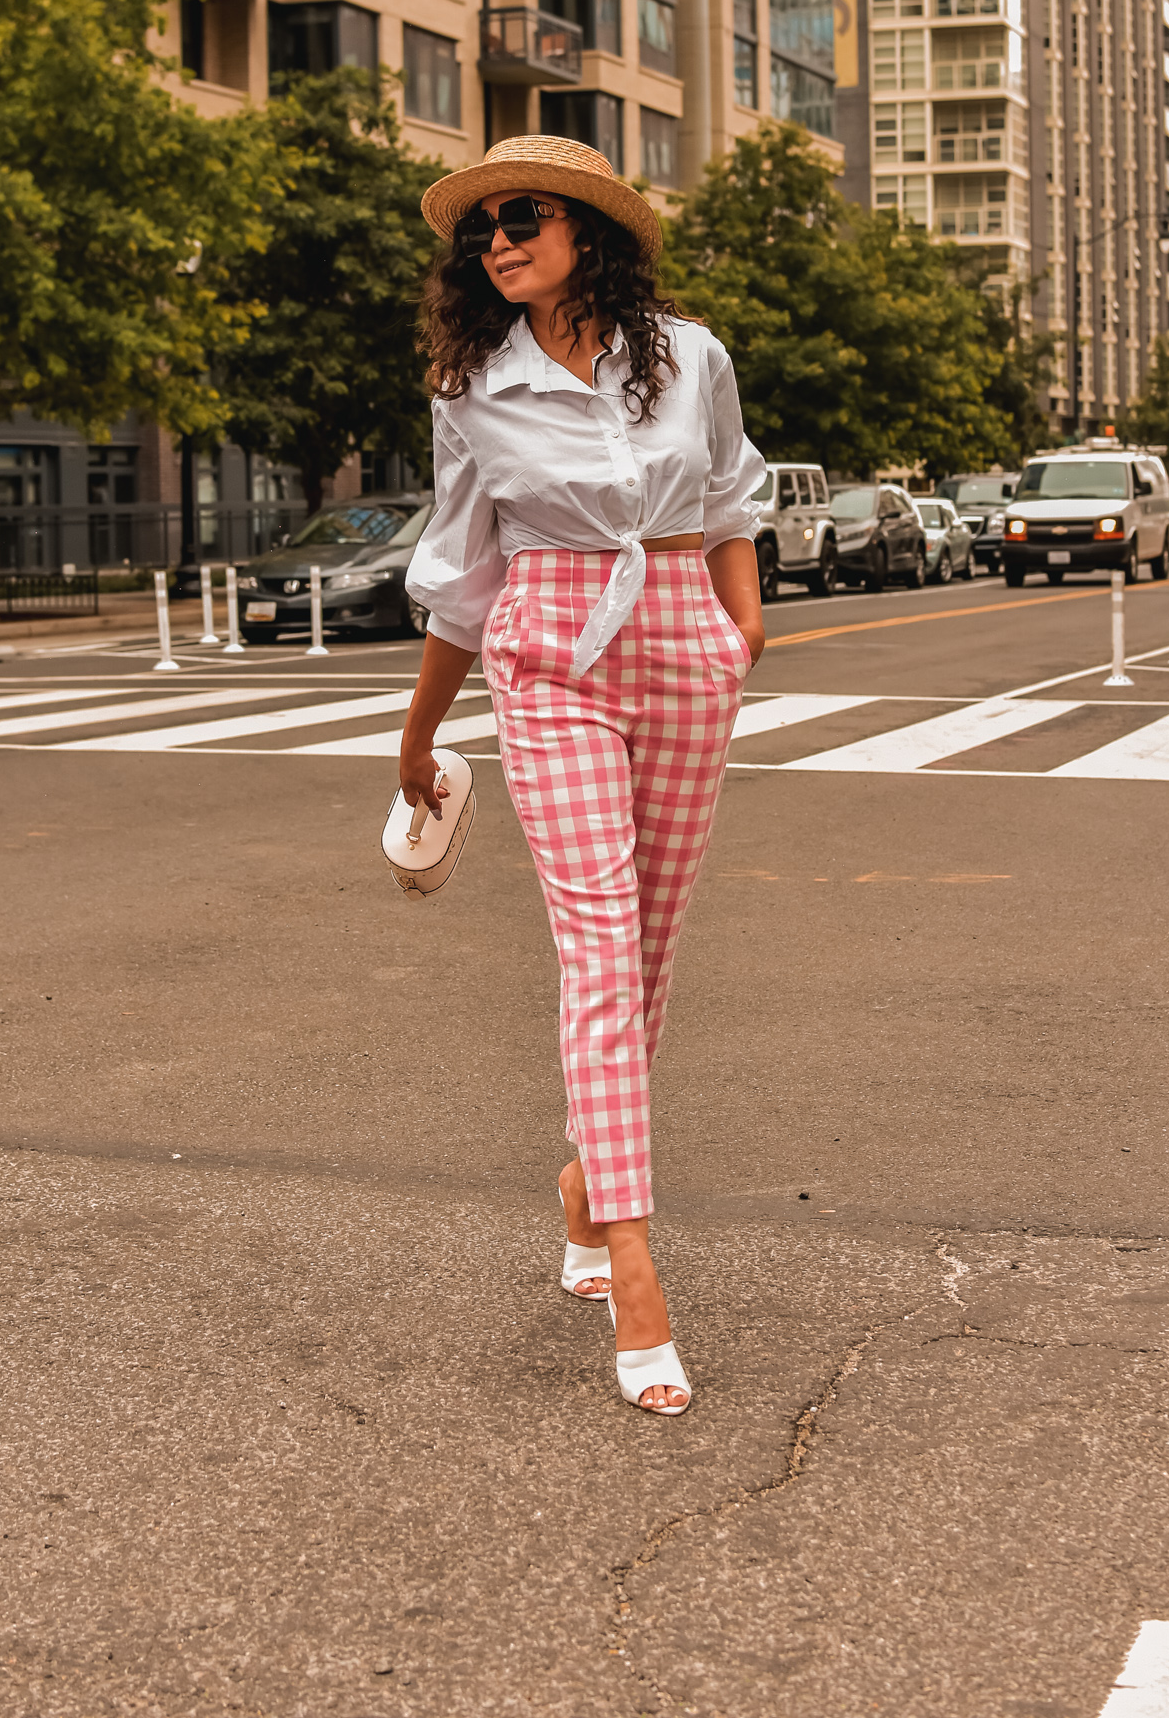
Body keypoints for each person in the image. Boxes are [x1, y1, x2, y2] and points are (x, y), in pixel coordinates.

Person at [400, 136, 766, 1416]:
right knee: (597, 949)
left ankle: (581, 1176)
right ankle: (633, 1253)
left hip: (677, 635)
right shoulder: (470, 386)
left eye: (522, 216)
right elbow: (458, 574)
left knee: (652, 947)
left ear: (586, 231)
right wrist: (416, 734)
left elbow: (729, 499)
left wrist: (739, 630)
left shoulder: (690, 355)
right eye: (481, 228)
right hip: (546, 649)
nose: (497, 239)